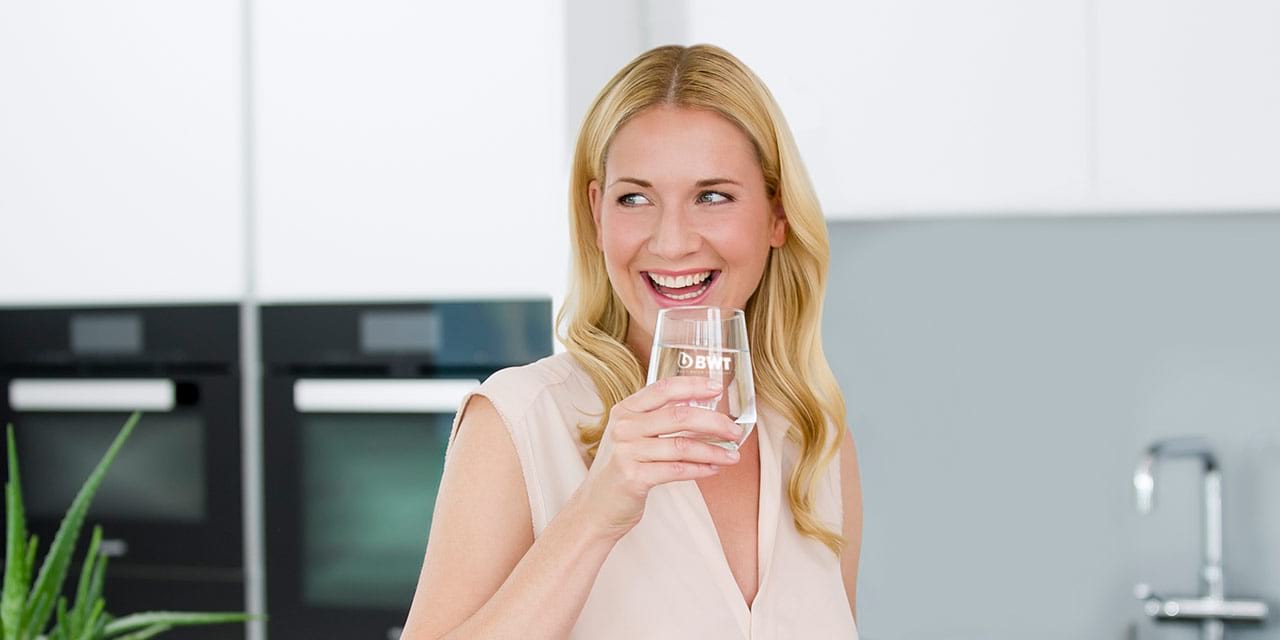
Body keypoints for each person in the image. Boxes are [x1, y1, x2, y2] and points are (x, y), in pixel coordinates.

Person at [402, 43, 862, 639]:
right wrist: (595, 512)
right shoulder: (519, 422)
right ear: (598, 215)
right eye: (635, 199)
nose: (671, 242)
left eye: (712, 196)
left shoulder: (816, 443)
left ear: (777, 214)